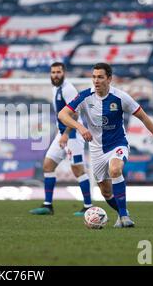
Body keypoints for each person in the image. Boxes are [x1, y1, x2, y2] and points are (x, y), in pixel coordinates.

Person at [58, 63, 153, 227]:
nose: (96, 80)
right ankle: (122, 213)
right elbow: (62, 114)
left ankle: (124, 217)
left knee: (115, 169)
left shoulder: (121, 97)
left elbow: (143, 117)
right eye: (94, 77)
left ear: (109, 79)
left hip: (117, 144)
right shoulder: (85, 96)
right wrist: (80, 127)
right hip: (96, 150)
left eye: (100, 77)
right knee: (105, 191)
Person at [30, 62, 93, 216]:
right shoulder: (56, 88)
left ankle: (88, 206)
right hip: (63, 132)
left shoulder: (68, 89)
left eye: (58, 72)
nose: (55, 75)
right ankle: (48, 205)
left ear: (64, 73)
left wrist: (66, 134)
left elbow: (75, 114)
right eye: (53, 72)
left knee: (77, 169)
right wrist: (62, 133)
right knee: (48, 165)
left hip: (73, 134)